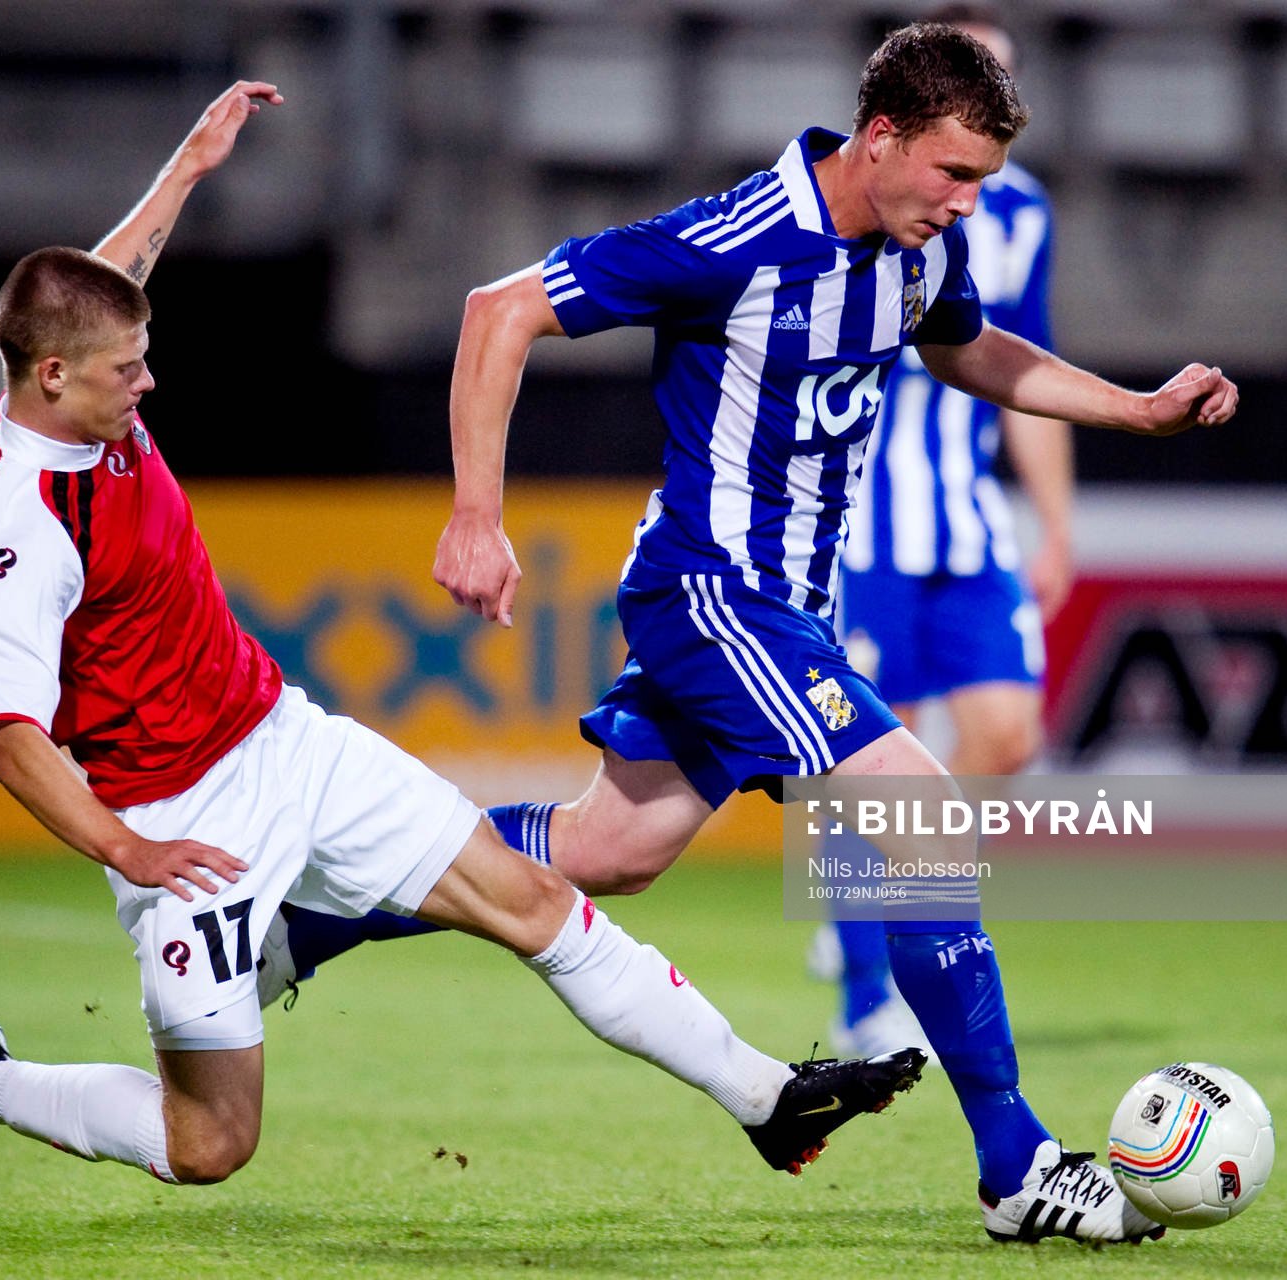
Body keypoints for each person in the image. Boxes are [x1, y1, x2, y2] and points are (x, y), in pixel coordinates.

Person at [0, 81, 922, 1191]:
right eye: (125, 371)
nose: (149, 383)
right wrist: (133, 853)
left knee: (534, 902)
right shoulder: (23, 530)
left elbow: (105, 283)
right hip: (176, 818)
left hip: (284, 739)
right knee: (211, 1145)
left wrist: (188, 165)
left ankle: (764, 1094)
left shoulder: (72, 362)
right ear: (50, 379)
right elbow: (11, 740)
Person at [430, 24, 1236, 1245]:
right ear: (881, 138)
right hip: (713, 594)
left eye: (984, 181)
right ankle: (1017, 1168)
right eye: (955, 175)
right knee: (923, 818)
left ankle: (323, 893)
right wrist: (477, 516)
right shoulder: (739, 238)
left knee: (608, 848)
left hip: (790, 605)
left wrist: (1133, 409)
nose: (970, 204)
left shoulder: (916, 251)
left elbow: (970, 348)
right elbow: (500, 313)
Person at [814, 2, 1073, 1066]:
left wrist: (1055, 521)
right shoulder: (865, 203)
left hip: (967, 523)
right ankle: (865, 986)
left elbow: (1028, 371)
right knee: (876, 749)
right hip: (864, 520)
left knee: (1008, 734)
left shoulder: (1023, 215)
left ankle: (886, 900)